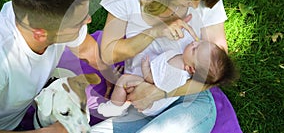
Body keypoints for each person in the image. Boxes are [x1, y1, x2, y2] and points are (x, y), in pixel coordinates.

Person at [93, 0, 229, 132]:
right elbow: (107, 55)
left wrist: (160, 92)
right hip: (136, 97)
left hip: (188, 96)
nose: (195, 6)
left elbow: (215, 72)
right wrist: (154, 32)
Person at [0, 0, 108, 132]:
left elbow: (88, 50)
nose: (89, 21)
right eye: (79, 21)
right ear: (40, 34)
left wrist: (115, 78)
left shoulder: (40, 13)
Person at [97, 39, 237, 117]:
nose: (194, 43)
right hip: (150, 88)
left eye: (195, 49)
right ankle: (119, 98)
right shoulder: (180, 59)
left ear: (191, 69)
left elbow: (153, 81)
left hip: (152, 100)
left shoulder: (177, 73)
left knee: (124, 81)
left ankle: (116, 107)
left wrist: (145, 68)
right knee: (126, 81)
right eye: (198, 43)